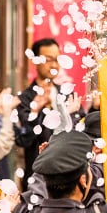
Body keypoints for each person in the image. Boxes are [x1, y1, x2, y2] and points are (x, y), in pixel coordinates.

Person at [16, 37, 77, 183]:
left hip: (68, 172)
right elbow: (24, 139)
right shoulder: (25, 98)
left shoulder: (67, 94)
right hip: (37, 176)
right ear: (35, 61)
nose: (54, 65)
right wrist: (38, 110)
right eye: (48, 60)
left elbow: (79, 128)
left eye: (57, 59)